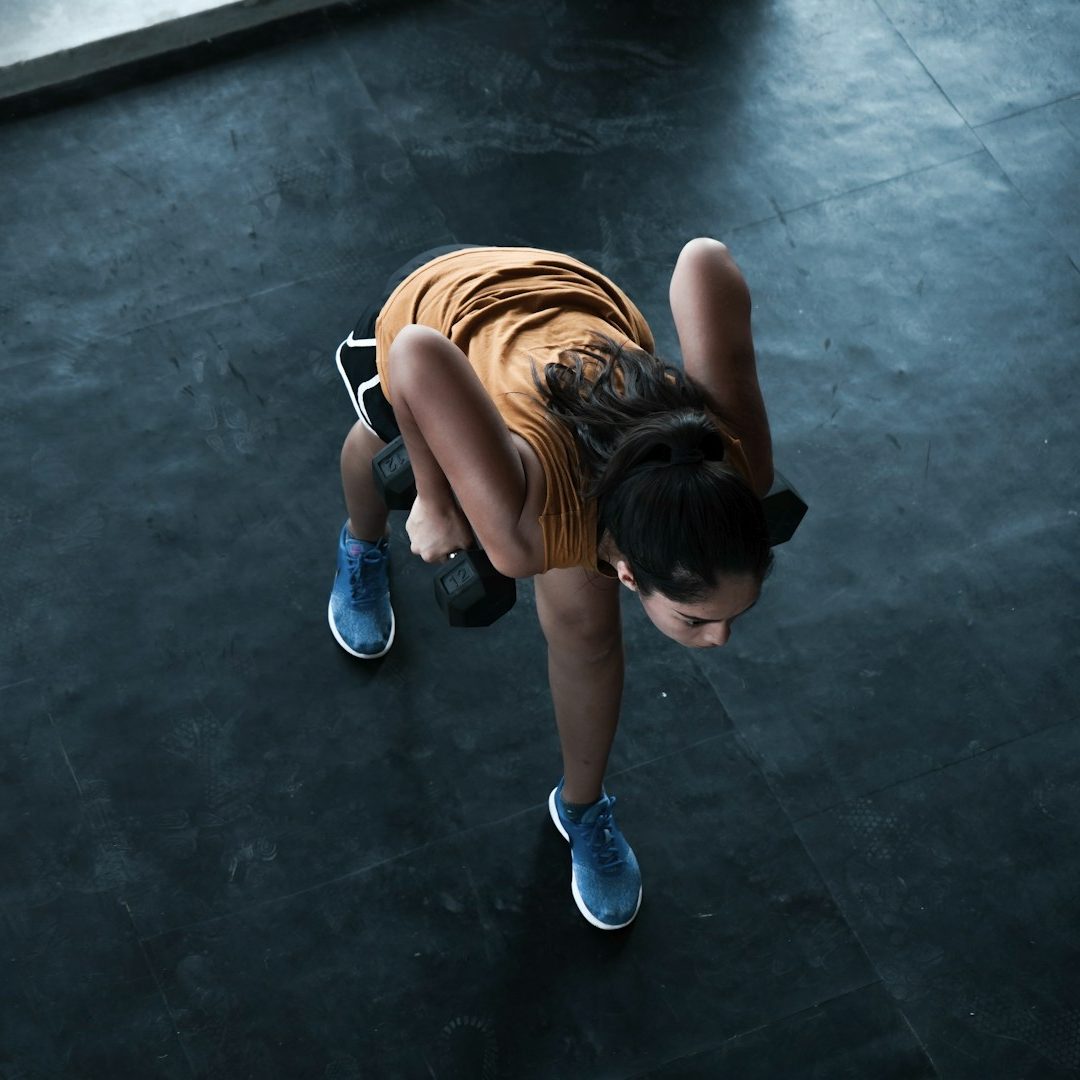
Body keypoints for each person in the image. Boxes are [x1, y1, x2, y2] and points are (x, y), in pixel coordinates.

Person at [328, 240, 774, 930]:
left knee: (588, 636)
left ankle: (581, 807)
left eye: (727, 617)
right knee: (378, 449)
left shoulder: (738, 468)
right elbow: (415, 353)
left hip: (575, 310)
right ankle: (361, 545)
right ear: (628, 572)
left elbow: (704, 261)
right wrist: (432, 497)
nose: (719, 639)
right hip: (439, 304)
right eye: (696, 619)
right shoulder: (526, 532)